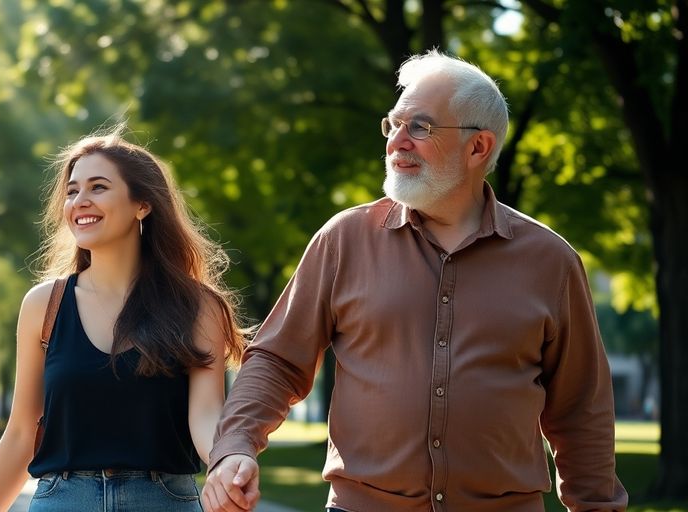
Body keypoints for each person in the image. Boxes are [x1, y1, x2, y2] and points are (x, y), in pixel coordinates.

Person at [202, 50, 628, 512]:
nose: (397, 142)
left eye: (420, 127)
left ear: (478, 147)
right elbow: (278, 360)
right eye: (393, 124)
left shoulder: (551, 261)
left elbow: (580, 409)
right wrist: (236, 446)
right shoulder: (345, 239)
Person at [0, 128, 247, 511]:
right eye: (72, 191)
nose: (79, 201)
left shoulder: (198, 306)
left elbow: (204, 416)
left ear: (143, 205)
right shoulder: (44, 305)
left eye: (98, 187)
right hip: (63, 501)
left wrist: (227, 460)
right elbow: (22, 430)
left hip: (164, 501)